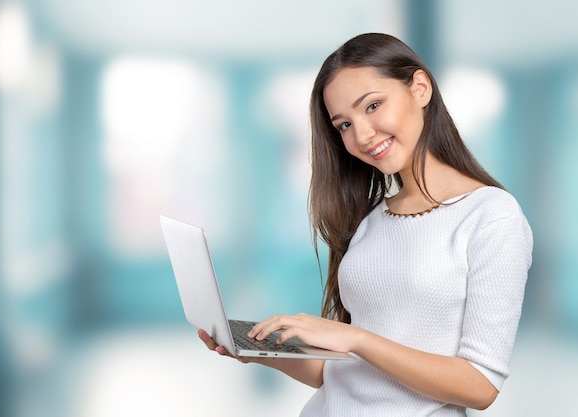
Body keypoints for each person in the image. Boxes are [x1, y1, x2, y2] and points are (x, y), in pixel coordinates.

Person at [199, 33, 533, 416]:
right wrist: (258, 352)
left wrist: (355, 338)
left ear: (420, 88)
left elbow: (480, 386)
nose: (361, 135)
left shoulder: (492, 216)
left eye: (373, 105)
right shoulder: (371, 219)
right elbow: (346, 374)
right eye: (343, 125)